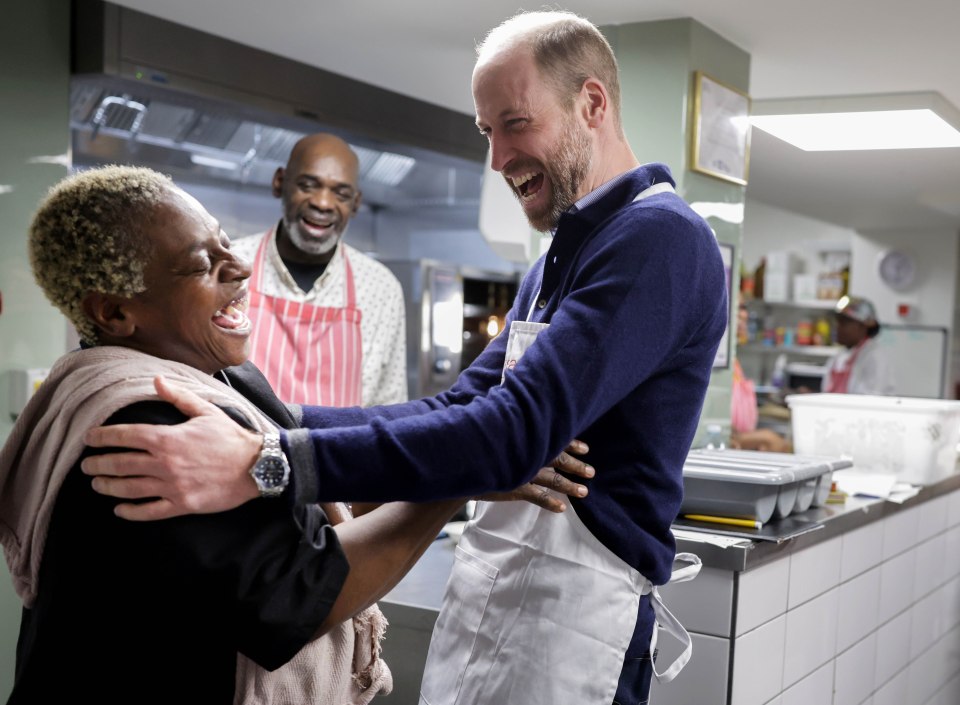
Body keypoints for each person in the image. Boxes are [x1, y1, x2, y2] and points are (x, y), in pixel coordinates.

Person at [82, 11, 728, 704]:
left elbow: (510, 433)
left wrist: (265, 463)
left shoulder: (660, 239)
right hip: (504, 595)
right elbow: (458, 408)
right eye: (487, 132)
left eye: (514, 123)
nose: (498, 159)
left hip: (580, 622)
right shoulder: (558, 257)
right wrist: (264, 421)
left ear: (591, 103)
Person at [0, 165, 589, 704]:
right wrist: (460, 476)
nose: (238, 267)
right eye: (203, 265)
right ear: (114, 314)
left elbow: (319, 475)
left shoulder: (222, 376)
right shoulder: (149, 425)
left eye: (225, 243)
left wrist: (460, 453)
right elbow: (305, 593)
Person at [232, 132, 407, 407]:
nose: (323, 203)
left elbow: (388, 408)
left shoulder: (381, 288)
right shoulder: (229, 267)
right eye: (308, 185)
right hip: (237, 448)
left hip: (338, 451)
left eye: (341, 193)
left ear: (356, 203)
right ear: (280, 182)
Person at [823, 294, 895, 395]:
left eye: (844, 323)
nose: (837, 328)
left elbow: (872, 400)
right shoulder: (838, 357)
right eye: (837, 322)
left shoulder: (874, 356)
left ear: (863, 326)